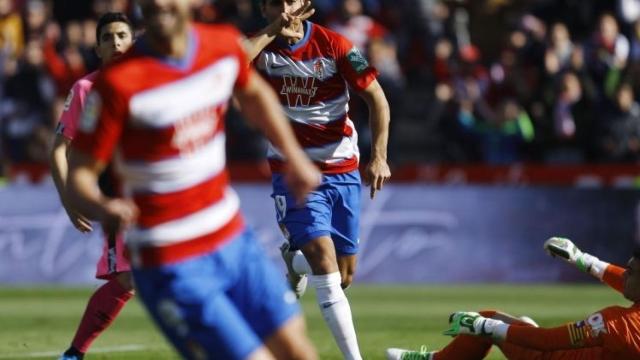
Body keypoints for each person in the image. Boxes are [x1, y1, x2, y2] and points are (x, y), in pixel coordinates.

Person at [65, 0, 320, 359]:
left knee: (299, 349)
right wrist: (103, 206)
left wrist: (295, 158)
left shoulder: (219, 45)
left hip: (231, 238)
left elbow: (254, 93)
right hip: (169, 259)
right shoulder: (115, 85)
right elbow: (78, 173)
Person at [245, 1, 392, 359]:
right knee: (325, 266)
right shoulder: (261, 51)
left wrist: (379, 157)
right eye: (274, 2)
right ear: (264, 9)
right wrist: (269, 32)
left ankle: (294, 261)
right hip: (292, 171)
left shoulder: (336, 45)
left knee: (343, 274)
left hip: (342, 168)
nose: (284, 7)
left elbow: (377, 99)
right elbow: (227, 63)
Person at [386, 237, 640, 359]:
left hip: (550, 357)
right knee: (511, 326)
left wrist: (484, 326)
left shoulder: (619, 325)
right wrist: (584, 260)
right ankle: (521, 326)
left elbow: (546, 342)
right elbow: (628, 283)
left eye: (631, 271)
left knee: (488, 319)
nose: (624, 274)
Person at [49, 12, 135, 360]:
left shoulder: (153, 83)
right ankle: (74, 354)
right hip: (119, 200)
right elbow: (59, 147)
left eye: (122, 36)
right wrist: (69, 199)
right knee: (128, 279)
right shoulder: (86, 90)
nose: (115, 43)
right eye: (107, 37)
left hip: (162, 197)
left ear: (133, 41)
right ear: (97, 48)